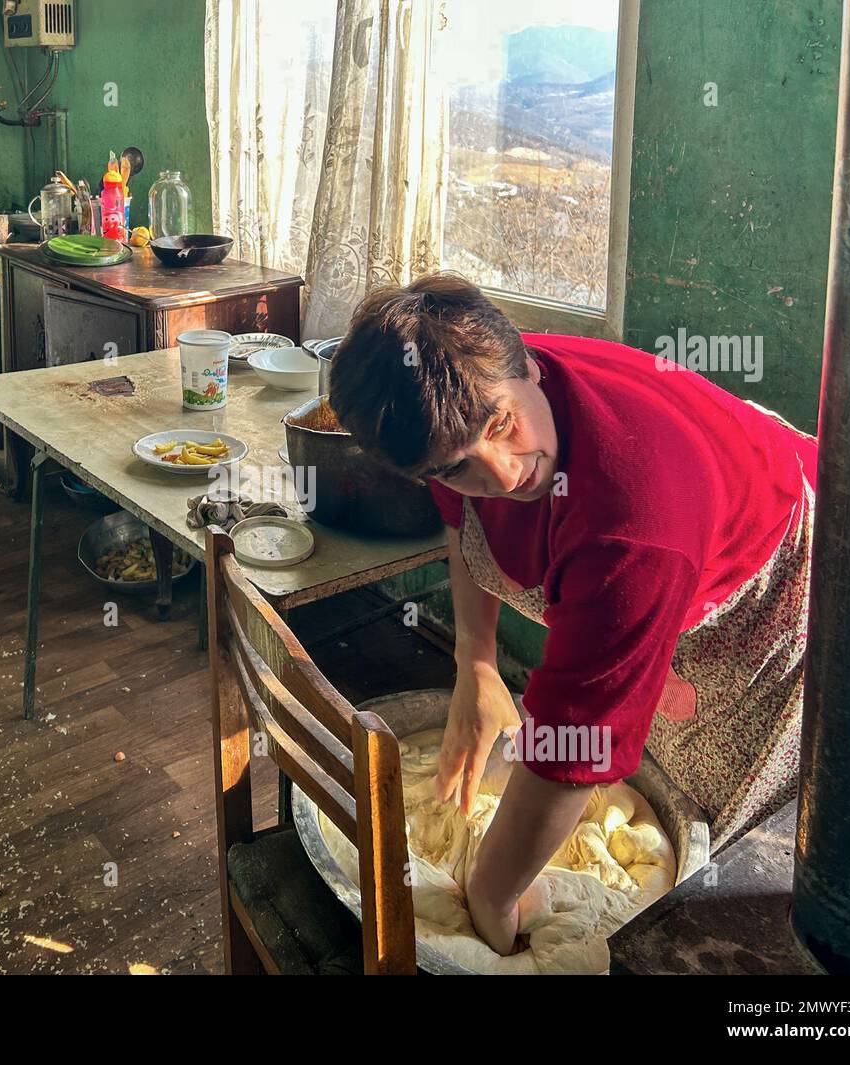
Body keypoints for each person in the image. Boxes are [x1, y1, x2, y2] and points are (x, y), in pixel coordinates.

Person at [327, 273, 817, 955]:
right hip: (681, 533)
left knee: (731, 869)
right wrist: (476, 659)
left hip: (785, 592)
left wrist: (492, 892)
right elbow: (463, 517)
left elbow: (580, 742)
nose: (500, 475)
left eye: (503, 426)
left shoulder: (629, 521)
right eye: (452, 467)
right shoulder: (468, 391)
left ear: (528, 362)